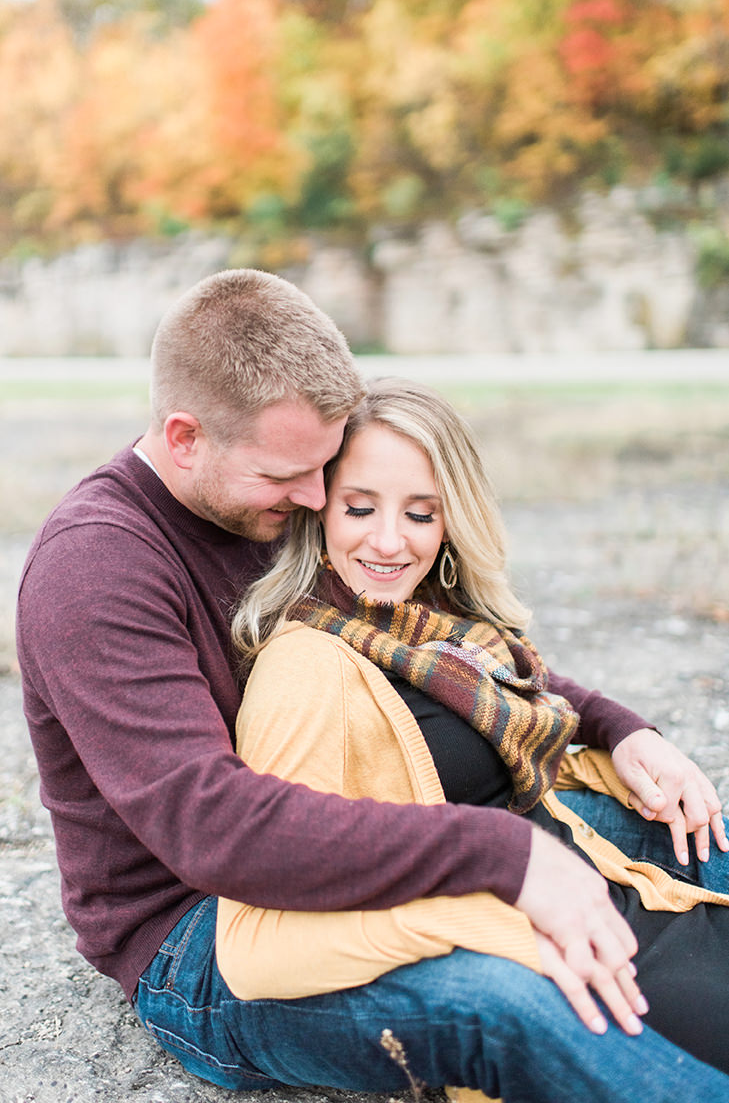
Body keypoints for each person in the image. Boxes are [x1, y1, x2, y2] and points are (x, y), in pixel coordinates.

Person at [16, 269, 729, 1103]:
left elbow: (429, 647)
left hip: (364, 820)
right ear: (184, 437)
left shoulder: (270, 500)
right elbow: (213, 829)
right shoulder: (96, 568)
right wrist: (500, 854)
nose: (316, 497)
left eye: (325, 469)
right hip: (205, 931)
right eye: (289, 475)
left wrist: (614, 726)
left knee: (683, 833)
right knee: (511, 1002)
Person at [218, 376, 729, 1084]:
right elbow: (257, 945)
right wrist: (504, 938)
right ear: (319, 510)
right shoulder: (304, 668)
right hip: (570, 956)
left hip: (625, 901)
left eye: (421, 515)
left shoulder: (438, 630)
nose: (390, 541)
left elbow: (540, 692)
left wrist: (624, 731)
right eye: (359, 507)